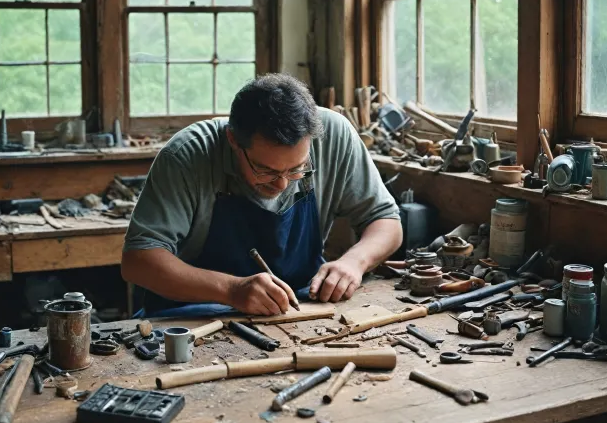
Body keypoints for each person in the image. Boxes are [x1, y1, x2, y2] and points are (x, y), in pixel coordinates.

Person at [121, 74, 402, 317]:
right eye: (265, 171)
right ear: (233, 140)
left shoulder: (334, 135)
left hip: (300, 308)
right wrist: (232, 290)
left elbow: (386, 221)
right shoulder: (188, 155)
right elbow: (139, 261)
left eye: (297, 170)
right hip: (195, 315)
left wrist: (355, 261)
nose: (281, 184)